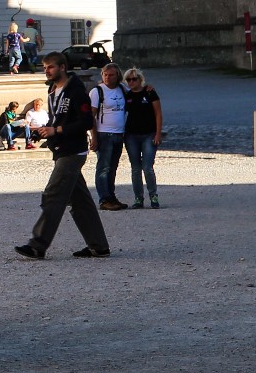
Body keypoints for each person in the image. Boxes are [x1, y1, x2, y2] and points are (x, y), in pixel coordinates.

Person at [15, 51, 111, 260]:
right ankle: (99, 246)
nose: (46, 71)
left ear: (62, 68)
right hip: (61, 150)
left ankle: (37, 245)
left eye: (50, 67)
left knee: (54, 194)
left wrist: (56, 131)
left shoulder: (76, 91)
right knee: (80, 202)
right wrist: (46, 130)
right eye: (44, 67)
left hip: (73, 151)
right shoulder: (52, 91)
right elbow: (60, 119)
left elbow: (86, 122)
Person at [121, 67, 164, 209]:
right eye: (128, 79)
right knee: (135, 168)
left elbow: (158, 113)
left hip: (149, 134)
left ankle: (153, 195)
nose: (131, 82)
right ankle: (138, 198)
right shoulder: (126, 95)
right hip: (131, 135)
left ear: (140, 79)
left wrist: (158, 133)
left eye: (134, 79)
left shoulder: (150, 93)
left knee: (147, 167)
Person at [88, 63, 129, 210]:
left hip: (119, 133)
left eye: (111, 75)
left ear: (117, 75)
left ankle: (111, 196)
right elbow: (90, 116)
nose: (107, 77)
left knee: (113, 167)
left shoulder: (122, 89)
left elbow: (135, 93)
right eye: (105, 74)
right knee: (103, 167)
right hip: (104, 133)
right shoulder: (97, 91)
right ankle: (104, 199)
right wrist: (94, 136)